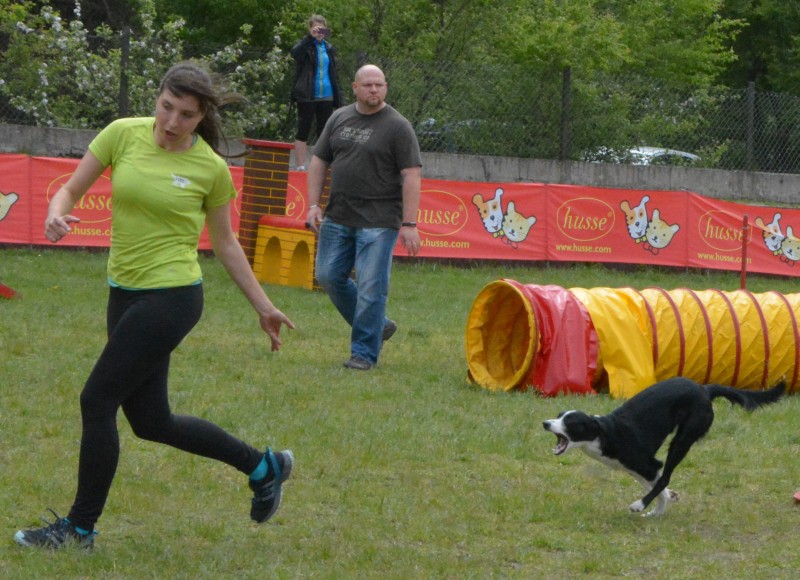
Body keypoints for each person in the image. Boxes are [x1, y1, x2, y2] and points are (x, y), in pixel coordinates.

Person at [14, 61, 295, 550]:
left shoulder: (209, 168)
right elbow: (71, 190)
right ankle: (262, 466)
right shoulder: (122, 134)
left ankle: (79, 529)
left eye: (186, 115)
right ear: (157, 97)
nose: (172, 122)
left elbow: (226, 243)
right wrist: (56, 215)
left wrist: (263, 305)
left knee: (96, 400)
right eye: (167, 107)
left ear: (201, 116)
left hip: (173, 296)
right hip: (123, 291)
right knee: (151, 422)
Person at [305, 64, 422, 371]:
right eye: (368, 84)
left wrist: (410, 224)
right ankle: (378, 325)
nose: (374, 89)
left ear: (385, 88)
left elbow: (411, 174)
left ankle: (363, 354)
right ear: (355, 87)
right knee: (328, 276)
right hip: (338, 215)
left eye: (379, 85)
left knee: (371, 287)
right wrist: (313, 205)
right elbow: (319, 160)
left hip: (379, 220)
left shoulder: (398, 126)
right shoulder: (338, 118)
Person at [290, 14, 344, 170]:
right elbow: (295, 54)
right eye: (316, 29)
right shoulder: (305, 46)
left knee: (324, 132)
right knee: (303, 129)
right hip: (307, 95)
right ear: (310, 29)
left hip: (327, 95)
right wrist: (309, 38)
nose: (319, 32)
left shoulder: (329, 48)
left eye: (322, 29)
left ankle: (320, 165)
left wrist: (338, 97)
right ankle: (300, 166)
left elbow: (334, 72)